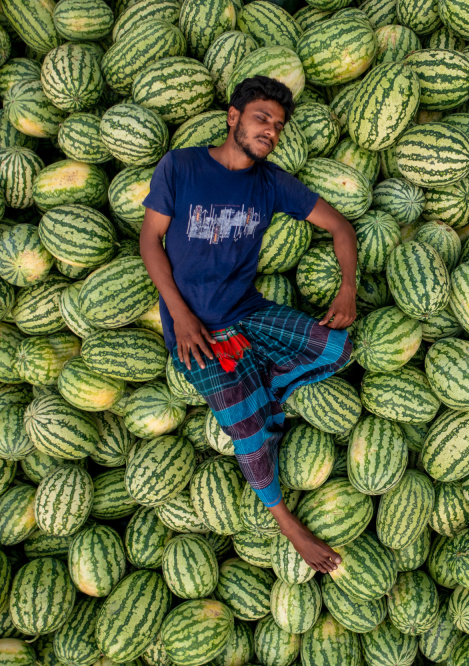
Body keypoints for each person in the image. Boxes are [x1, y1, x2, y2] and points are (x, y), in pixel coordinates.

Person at [139, 75, 358, 573]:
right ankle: (288, 523)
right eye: (262, 119)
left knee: (335, 348)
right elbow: (150, 241)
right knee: (249, 431)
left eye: (278, 126)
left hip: (248, 313)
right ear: (233, 117)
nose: (271, 132)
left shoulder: (271, 182)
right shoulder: (182, 166)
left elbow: (340, 227)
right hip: (197, 331)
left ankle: (261, 389)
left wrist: (347, 286)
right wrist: (180, 314)